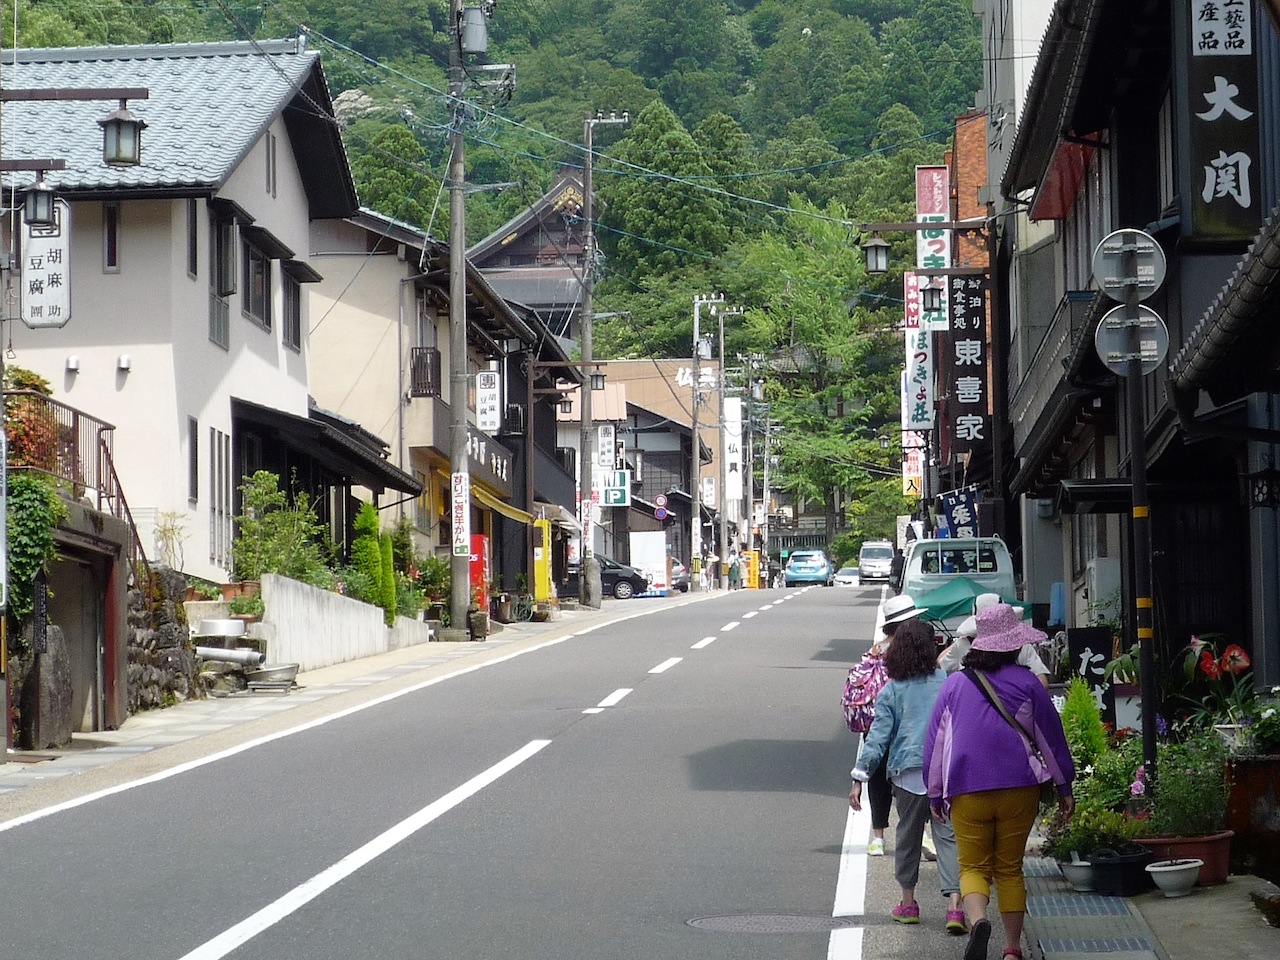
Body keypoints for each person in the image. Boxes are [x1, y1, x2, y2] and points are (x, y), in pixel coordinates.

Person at [923, 603, 1076, 960]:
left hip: (966, 789)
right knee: (1009, 869)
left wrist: (934, 793)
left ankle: (978, 924)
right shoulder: (1028, 684)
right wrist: (1064, 787)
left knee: (973, 866)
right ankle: (1011, 951)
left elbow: (936, 742)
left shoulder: (955, 685)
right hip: (1018, 788)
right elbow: (1050, 740)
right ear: (1013, 644)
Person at [849, 620, 966, 934]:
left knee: (907, 839)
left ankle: (908, 903)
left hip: (908, 775)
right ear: (931, 650)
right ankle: (955, 908)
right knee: (949, 840)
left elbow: (877, 740)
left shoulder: (892, 691)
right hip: (945, 774)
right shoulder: (948, 682)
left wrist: (860, 776)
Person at [862, 593, 922, 856]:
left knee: (877, 778)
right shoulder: (909, 651)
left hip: (873, 722)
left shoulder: (875, 650)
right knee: (911, 777)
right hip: (903, 723)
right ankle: (922, 834)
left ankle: (878, 837)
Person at [938, 598, 1053, 688]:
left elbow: (940, 664)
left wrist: (959, 641)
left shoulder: (963, 647)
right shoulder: (1023, 646)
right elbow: (1042, 683)